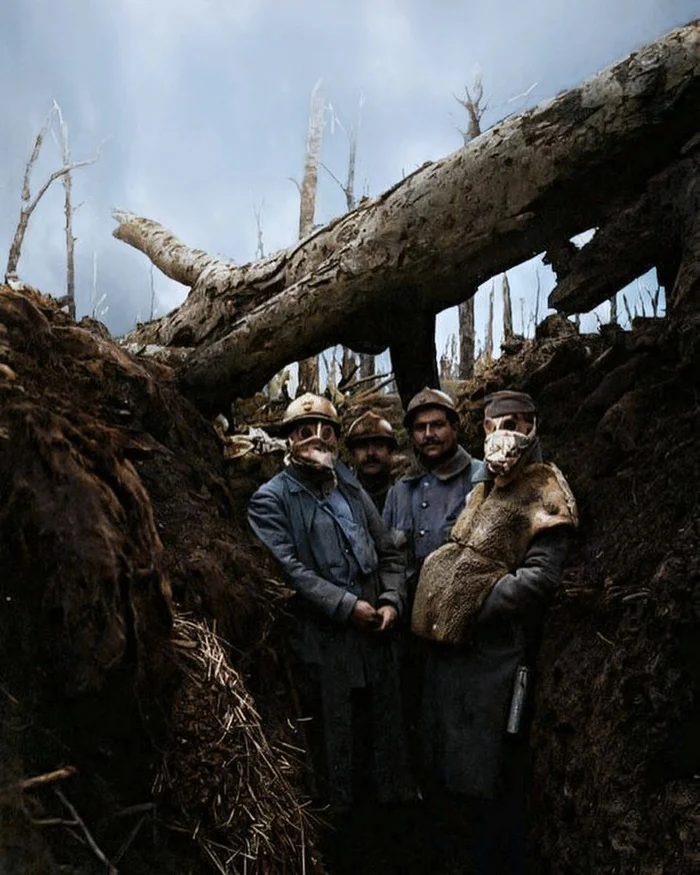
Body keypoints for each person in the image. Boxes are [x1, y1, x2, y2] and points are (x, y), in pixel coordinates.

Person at [411, 390, 578, 874]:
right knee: (445, 774)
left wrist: (474, 602)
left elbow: (540, 579)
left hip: (495, 660)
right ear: (482, 431)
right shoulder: (480, 489)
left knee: (485, 780)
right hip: (449, 658)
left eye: (515, 422)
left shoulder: (547, 490)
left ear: (532, 426)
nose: (504, 432)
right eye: (493, 423)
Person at [247, 392, 412, 817]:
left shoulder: (350, 487)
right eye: (305, 431)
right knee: (337, 750)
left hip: (376, 641)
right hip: (326, 648)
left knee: (387, 745)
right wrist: (345, 605)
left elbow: (390, 551)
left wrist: (391, 599)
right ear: (289, 439)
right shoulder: (271, 499)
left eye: (326, 431)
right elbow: (290, 571)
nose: (316, 439)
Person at [383, 387, 485, 598]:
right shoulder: (399, 490)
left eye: (437, 425)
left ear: (455, 428)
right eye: (420, 428)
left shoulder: (480, 479)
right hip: (408, 613)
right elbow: (387, 559)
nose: (428, 434)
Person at [345, 410, 398, 513]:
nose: (370, 453)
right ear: (352, 454)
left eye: (378, 445)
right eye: (362, 447)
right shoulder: (343, 497)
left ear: (390, 451)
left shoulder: (404, 494)